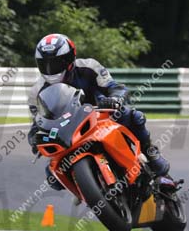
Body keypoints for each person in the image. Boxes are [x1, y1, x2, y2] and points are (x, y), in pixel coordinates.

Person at [27, 33, 170, 190]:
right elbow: (38, 122)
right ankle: (89, 189)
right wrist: (34, 138)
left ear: (69, 59)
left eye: (55, 63)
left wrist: (115, 99)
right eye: (45, 64)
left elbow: (115, 87)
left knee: (133, 116)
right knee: (53, 177)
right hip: (67, 131)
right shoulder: (37, 92)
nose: (50, 69)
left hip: (101, 116)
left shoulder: (88, 66)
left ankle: (150, 152)